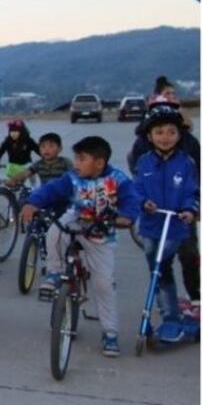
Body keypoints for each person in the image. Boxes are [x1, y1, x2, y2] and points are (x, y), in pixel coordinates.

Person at [21, 136, 141, 357]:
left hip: (101, 232)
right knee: (55, 230)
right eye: (76, 158)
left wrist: (126, 217)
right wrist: (32, 203)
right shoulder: (72, 177)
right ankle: (54, 272)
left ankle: (110, 332)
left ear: (99, 162)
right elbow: (51, 190)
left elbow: (132, 200)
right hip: (76, 219)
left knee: (104, 284)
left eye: (82, 159)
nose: (76, 163)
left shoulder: (118, 179)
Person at [133, 104, 199, 340]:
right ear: (150, 136)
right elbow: (136, 189)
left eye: (171, 132)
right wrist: (143, 202)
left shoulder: (186, 163)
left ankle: (171, 318)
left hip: (175, 226)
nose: (165, 137)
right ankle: (170, 314)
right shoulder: (143, 162)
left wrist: (189, 210)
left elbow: (192, 191)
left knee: (162, 268)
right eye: (159, 132)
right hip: (151, 227)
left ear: (179, 135)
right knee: (158, 271)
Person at [5, 132, 73, 189]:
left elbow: (75, 175)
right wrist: (13, 180)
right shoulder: (38, 164)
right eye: (43, 146)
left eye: (51, 146)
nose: (46, 149)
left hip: (63, 193)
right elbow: (25, 173)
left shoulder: (65, 162)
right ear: (39, 149)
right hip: (45, 194)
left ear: (60, 148)